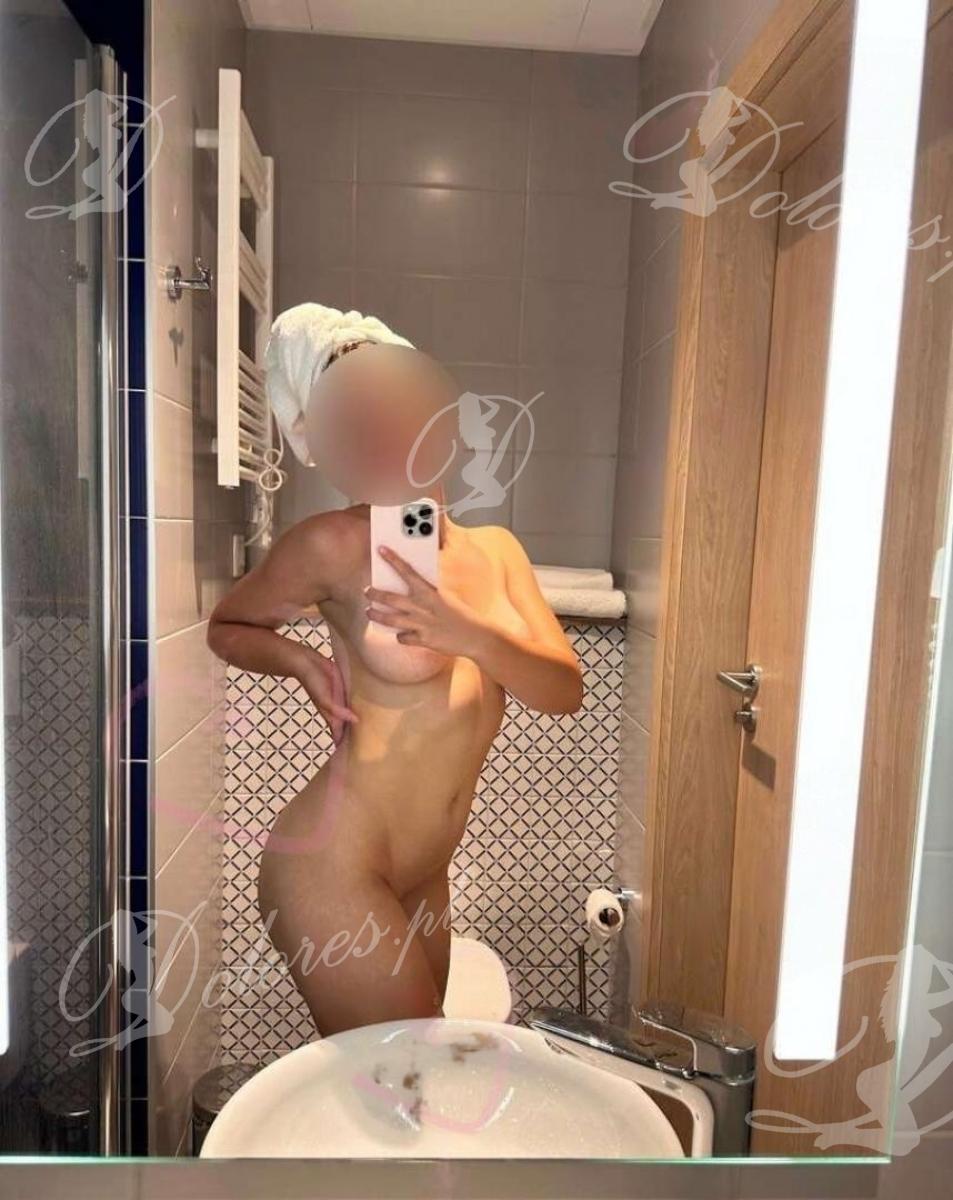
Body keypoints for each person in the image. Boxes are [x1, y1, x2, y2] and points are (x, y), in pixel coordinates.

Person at [207, 344, 583, 1036]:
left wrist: (471, 633)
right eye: (360, 421)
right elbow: (227, 626)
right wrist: (302, 663)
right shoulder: (331, 545)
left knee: (413, 1078)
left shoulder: (497, 550)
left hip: (425, 871)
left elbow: (564, 691)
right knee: (404, 1072)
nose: (389, 435)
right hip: (333, 866)